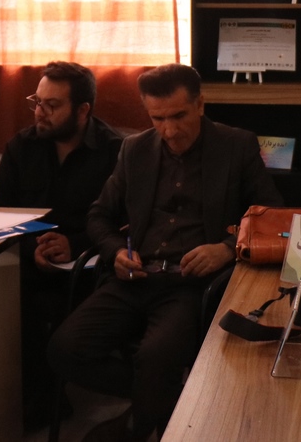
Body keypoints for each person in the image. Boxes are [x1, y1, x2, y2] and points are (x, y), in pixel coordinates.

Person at [48, 63, 283, 442]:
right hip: (133, 277)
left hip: (190, 284)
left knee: (156, 356)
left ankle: (138, 424)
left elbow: (271, 216)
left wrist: (226, 250)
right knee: (64, 349)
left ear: (200, 105)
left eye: (178, 116)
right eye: (158, 119)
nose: (170, 130)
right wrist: (115, 252)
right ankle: (163, 400)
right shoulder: (134, 149)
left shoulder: (235, 146)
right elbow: (99, 216)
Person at [0, 61, 123, 429]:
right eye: (37, 101)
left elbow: (125, 223)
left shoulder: (115, 152)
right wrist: (33, 248)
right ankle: (23, 397)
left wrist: (74, 245)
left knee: (58, 309)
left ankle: (47, 400)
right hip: (28, 260)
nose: (39, 112)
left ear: (83, 110)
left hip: (89, 267)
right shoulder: (21, 146)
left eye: (52, 105)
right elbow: (0, 213)